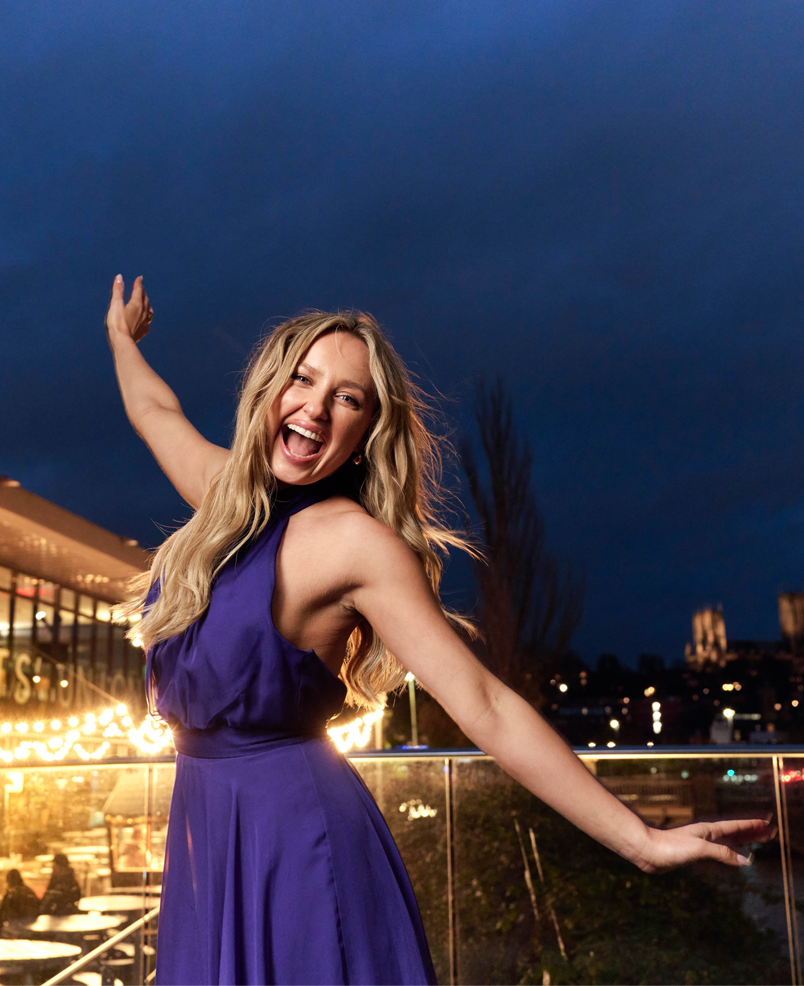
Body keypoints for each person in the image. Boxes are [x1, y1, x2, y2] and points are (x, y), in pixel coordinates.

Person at [105, 274, 772, 986]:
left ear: (366, 435)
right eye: (303, 380)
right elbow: (154, 411)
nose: (316, 410)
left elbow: (484, 703)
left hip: (297, 846)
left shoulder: (356, 545)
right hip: (209, 839)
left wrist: (639, 840)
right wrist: (121, 337)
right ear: (269, 389)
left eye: (348, 399)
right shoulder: (224, 502)